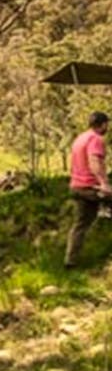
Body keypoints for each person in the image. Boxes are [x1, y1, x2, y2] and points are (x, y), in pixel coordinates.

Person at [65, 111, 112, 268]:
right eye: (107, 124)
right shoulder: (95, 139)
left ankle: (70, 261)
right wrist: (104, 184)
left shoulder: (81, 138)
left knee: (80, 224)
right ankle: (105, 210)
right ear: (103, 124)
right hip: (91, 187)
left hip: (77, 186)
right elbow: (94, 162)